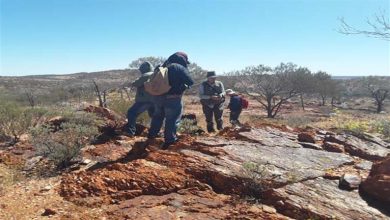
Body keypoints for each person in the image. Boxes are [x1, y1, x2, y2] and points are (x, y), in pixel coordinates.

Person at [147, 52, 194, 149]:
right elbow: (190, 81)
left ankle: (151, 136)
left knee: (157, 117)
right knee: (172, 119)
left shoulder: (162, 67)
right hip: (173, 99)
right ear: (182, 60)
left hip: (158, 98)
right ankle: (169, 141)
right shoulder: (178, 67)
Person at [124, 62, 155, 136]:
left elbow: (135, 83)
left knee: (131, 113)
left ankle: (130, 132)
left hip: (144, 100)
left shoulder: (146, 75)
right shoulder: (156, 74)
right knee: (154, 117)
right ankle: (155, 133)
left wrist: (135, 81)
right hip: (155, 100)